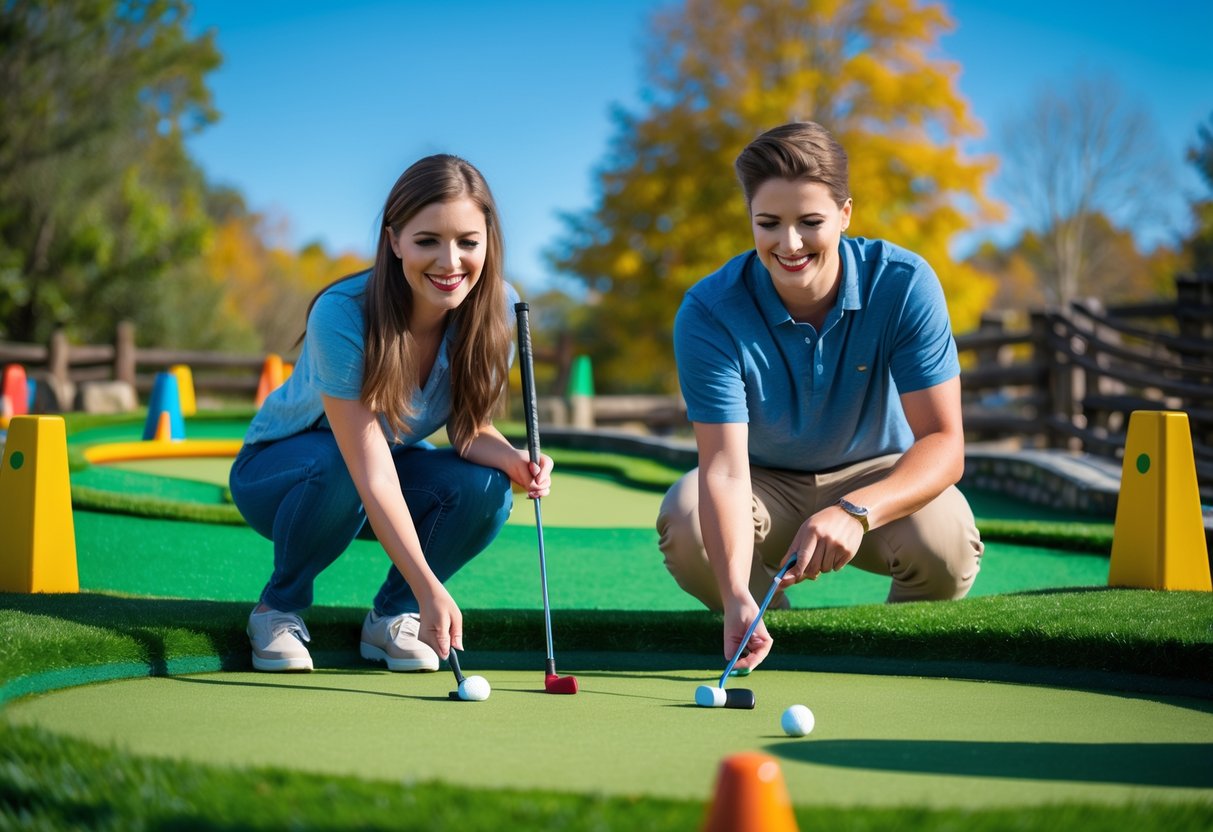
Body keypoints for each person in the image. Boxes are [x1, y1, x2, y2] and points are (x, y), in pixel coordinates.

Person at [657, 121, 983, 673]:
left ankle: (890, 657)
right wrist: (735, 591)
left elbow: (944, 444)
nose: (789, 244)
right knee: (687, 521)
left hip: (877, 473)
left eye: (810, 222)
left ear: (845, 214)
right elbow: (724, 470)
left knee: (948, 546)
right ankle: (766, 624)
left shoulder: (904, 283)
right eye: (769, 223)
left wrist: (856, 512)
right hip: (761, 481)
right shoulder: (708, 311)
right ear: (751, 221)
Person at [229, 154, 552, 673]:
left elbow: (469, 430)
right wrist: (432, 588)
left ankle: (389, 619)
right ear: (394, 240)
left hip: (377, 472)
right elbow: (368, 467)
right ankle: (276, 609)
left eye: (468, 241)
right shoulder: (342, 312)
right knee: (338, 463)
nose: (450, 262)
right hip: (282, 475)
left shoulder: (499, 308)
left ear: (489, 240)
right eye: (427, 241)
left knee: (487, 486)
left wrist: (513, 459)